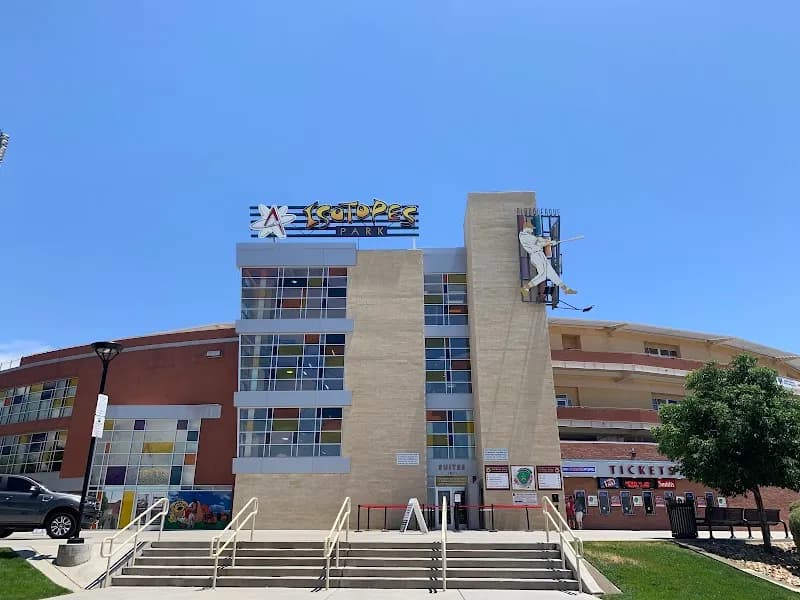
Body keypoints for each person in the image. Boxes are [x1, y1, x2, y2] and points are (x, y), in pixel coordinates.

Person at [518, 223, 577, 296]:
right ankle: (526, 288)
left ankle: (565, 289)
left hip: (539, 255)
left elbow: (541, 241)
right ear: (527, 228)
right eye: (531, 229)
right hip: (537, 255)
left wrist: (550, 243)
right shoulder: (523, 236)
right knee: (543, 275)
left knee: (551, 274)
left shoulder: (529, 236)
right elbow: (538, 242)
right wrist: (549, 242)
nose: (532, 230)